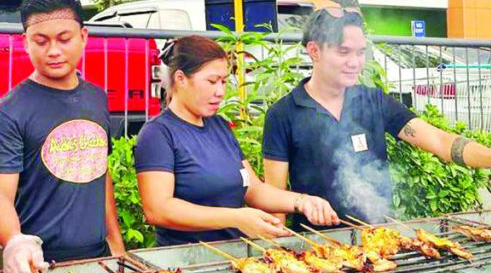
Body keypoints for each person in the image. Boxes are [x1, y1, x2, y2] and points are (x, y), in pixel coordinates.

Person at [262, 6, 491, 228]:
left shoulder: (374, 101)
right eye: (343, 52)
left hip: (378, 238)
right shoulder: (283, 114)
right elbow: (274, 199)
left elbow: (439, 141)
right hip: (321, 250)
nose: (355, 62)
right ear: (314, 51)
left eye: (360, 52)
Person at [135, 35, 339, 244]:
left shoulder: (219, 127)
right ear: (181, 79)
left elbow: (253, 189)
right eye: (212, 81)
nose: (220, 92)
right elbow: (158, 209)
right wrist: (237, 217)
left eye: (223, 81)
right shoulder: (158, 134)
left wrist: (301, 201)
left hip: (234, 259)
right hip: (186, 262)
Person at [0, 0, 126, 273]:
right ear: (25, 43)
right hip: (38, 266)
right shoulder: (9, 111)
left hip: (99, 258)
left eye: (64, 39)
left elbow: (99, 173)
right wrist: (15, 243)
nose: (53, 51)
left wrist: (116, 246)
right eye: (41, 41)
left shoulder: (97, 98)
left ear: (83, 37)